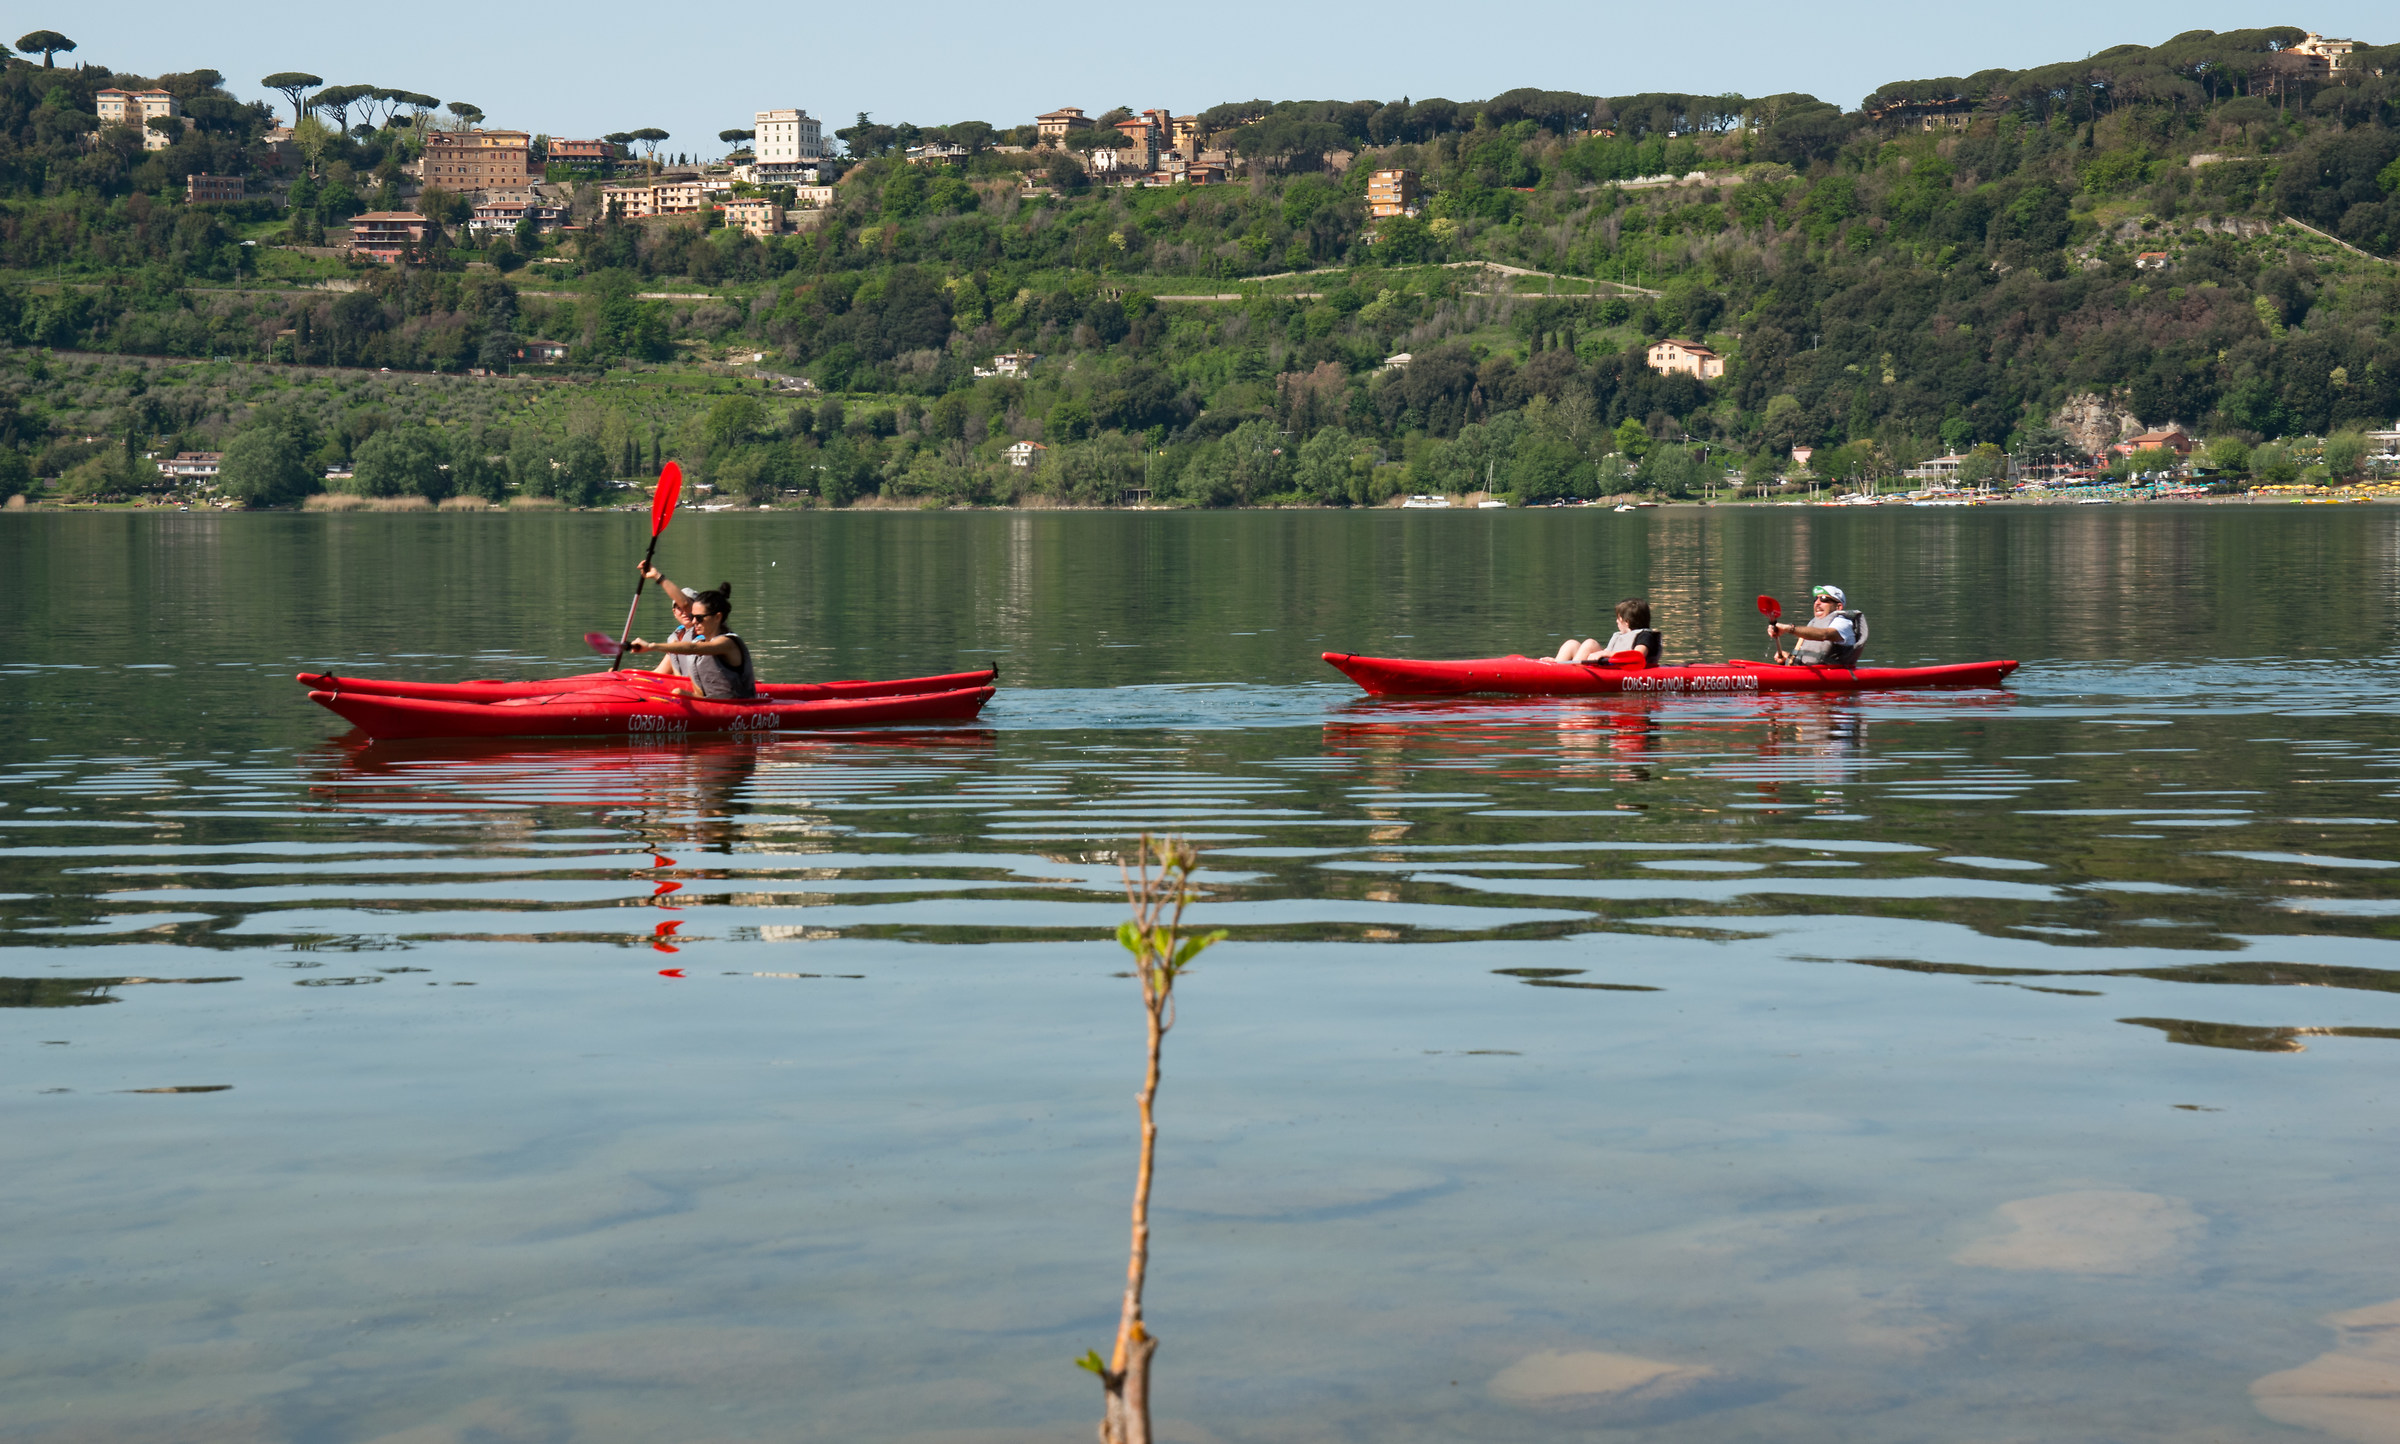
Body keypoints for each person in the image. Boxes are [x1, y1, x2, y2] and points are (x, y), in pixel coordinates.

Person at [626, 584, 758, 699]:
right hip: (709, 701)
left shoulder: (727, 643)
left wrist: (651, 646)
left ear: (717, 617)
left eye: (699, 618)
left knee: (677, 692)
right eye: (693, 617)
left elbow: (692, 648)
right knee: (677, 692)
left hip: (736, 706)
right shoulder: (699, 642)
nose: (694, 622)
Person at [1771, 584, 1866, 666]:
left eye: (1824, 599)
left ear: (1838, 607)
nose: (1817, 603)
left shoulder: (1842, 623)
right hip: (1808, 672)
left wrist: (1789, 629)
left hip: (1834, 674)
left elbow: (1824, 635)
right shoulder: (1813, 623)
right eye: (1816, 599)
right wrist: (1788, 658)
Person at [1548, 598, 1661, 666]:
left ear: (1626, 622)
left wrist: (1605, 653)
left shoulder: (1645, 636)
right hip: (1609, 666)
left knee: (1590, 644)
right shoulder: (1621, 635)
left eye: (1618, 619)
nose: (1616, 621)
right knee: (1572, 644)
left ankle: (1568, 673)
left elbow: (1638, 656)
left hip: (1625, 671)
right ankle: (1557, 665)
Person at [636, 561, 702, 677]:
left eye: (686, 607)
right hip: (682, 688)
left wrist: (657, 576)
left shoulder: (706, 633)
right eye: (678, 608)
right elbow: (658, 674)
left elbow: (686, 604)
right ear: (674, 612)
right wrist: (625, 678)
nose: (684, 612)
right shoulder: (677, 637)